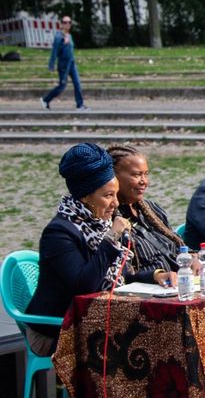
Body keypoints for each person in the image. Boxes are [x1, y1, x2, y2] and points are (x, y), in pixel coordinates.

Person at [26, 144, 173, 355]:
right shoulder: (59, 233)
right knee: (143, 343)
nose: (115, 203)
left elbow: (120, 278)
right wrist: (111, 239)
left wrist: (156, 276)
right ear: (85, 197)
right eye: (107, 196)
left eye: (115, 195)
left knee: (163, 330)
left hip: (94, 319)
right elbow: (86, 286)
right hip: (56, 329)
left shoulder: (99, 223)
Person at [107, 144, 182, 284]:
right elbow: (121, 275)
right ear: (113, 176)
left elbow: (177, 246)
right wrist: (155, 276)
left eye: (146, 174)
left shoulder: (152, 209)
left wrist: (192, 258)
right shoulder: (110, 219)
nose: (144, 182)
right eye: (136, 175)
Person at [41, 15, 87, 112]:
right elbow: (54, 51)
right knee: (62, 86)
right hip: (63, 65)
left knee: (77, 83)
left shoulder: (69, 36)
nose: (67, 24)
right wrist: (51, 64)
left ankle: (80, 105)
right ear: (61, 24)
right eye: (65, 22)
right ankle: (45, 100)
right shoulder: (58, 37)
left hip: (71, 63)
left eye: (69, 22)